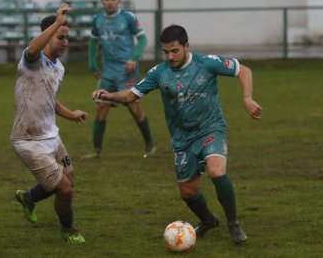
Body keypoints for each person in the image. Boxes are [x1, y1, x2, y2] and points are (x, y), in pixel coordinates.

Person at [92, 25, 262, 244]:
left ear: (186, 47)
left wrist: (247, 98)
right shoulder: (159, 73)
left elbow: (244, 70)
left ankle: (233, 224)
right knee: (188, 193)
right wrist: (108, 95)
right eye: (166, 52)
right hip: (182, 139)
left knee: (216, 171)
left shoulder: (206, 62)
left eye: (175, 51)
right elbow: (131, 95)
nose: (170, 56)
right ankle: (209, 221)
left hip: (211, 128)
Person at [11, 4, 87, 243]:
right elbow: (33, 49)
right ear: (47, 36)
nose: (65, 42)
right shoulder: (31, 61)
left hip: (51, 135)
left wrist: (71, 113)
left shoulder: (59, 68)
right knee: (64, 188)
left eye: (67, 38)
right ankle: (68, 230)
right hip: (27, 139)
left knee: (69, 182)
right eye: (60, 37)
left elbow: (49, 100)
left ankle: (29, 198)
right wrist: (56, 22)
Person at [85, 0, 156, 159]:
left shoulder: (128, 17)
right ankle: (96, 151)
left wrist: (133, 58)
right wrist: (92, 64)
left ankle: (150, 144)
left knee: (133, 106)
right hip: (108, 72)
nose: (110, 2)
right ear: (102, 1)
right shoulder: (98, 19)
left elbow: (143, 39)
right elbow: (94, 42)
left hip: (127, 71)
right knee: (101, 106)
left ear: (118, 1)